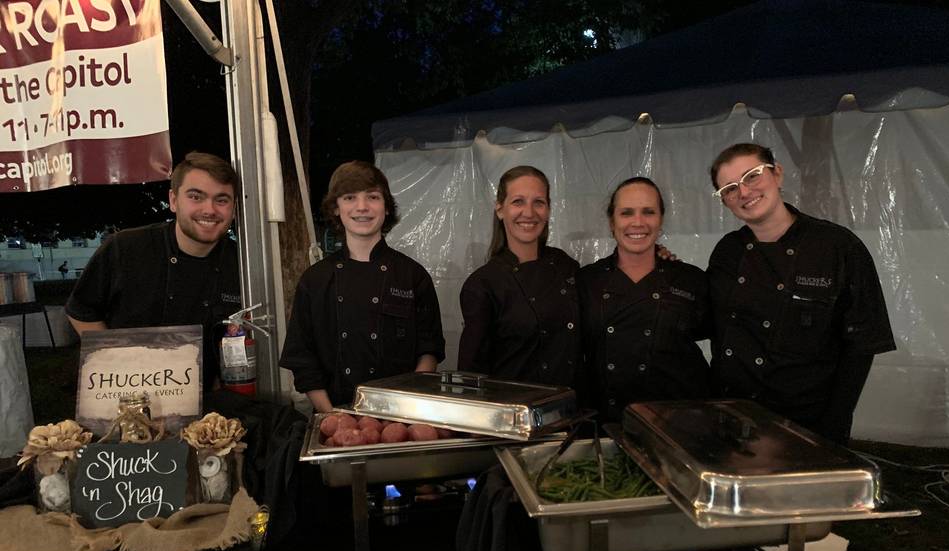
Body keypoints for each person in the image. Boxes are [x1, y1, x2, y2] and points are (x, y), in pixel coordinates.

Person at [707, 142, 896, 444]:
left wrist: (835, 423)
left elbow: (861, 346)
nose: (743, 192)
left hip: (806, 422)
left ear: (777, 174)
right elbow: (707, 320)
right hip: (734, 417)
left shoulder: (838, 247)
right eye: (729, 188)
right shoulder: (727, 253)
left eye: (752, 176)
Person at [66, 152, 242, 389]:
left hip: (206, 397)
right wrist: (115, 365)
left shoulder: (241, 262)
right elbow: (81, 310)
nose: (209, 210)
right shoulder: (125, 247)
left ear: (233, 208)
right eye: (196, 197)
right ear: (173, 200)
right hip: (128, 392)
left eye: (221, 200)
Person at [279, 161, 445, 413]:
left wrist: (407, 408)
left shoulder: (412, 275)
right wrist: (331, 416)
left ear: (386, 207)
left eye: (373, 197)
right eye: (349, 197)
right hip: (334, 413)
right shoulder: (315, 280)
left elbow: (429, 349)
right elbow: (303, 359)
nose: (362, 207)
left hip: (402, 415)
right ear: (336, 208)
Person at [578, 177, 711, 422]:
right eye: (626, 213)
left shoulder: (690, 280)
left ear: (660, 220)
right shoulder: (586, 282)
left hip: (680, 423)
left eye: (648, 212)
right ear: (612, 222)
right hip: (610, 422)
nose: (637, 222)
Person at [457, 165, 579, 387]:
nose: (529, 213)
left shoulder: (565, 265)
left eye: (538, 202)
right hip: (515, 412)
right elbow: (470, 373)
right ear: (500, 209)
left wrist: (657, 255)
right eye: (518, 201)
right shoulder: (483, 284)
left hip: (571, 409)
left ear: (548, 210)